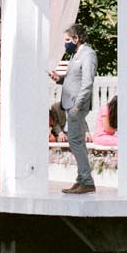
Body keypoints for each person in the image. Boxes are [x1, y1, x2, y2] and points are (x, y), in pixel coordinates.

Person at [52, 23, 97, 196]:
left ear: (76, 38)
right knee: (77, 142)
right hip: (70, 104)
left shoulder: (88, 54)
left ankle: (86, 181)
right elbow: (74, 79)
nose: (66, 43)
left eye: (67, 40)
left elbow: (87, 82)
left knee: (75, 142)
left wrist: (78, 105)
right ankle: (81, 180)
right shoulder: (75, 55)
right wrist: (59, 78)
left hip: (76, 106)